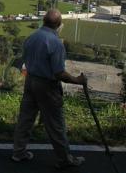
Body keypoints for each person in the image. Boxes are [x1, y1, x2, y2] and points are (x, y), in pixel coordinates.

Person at [12, 9, 87, 169]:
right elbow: (59, 73)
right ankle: (64, 159)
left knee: (25, 119)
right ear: (59, 25)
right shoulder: (55, 43)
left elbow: (24, 60)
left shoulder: (32, 37)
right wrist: (77, 80)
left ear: (44, 21)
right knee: (55, 123)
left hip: (30, 81)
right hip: (47, 86)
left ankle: (19, 152)